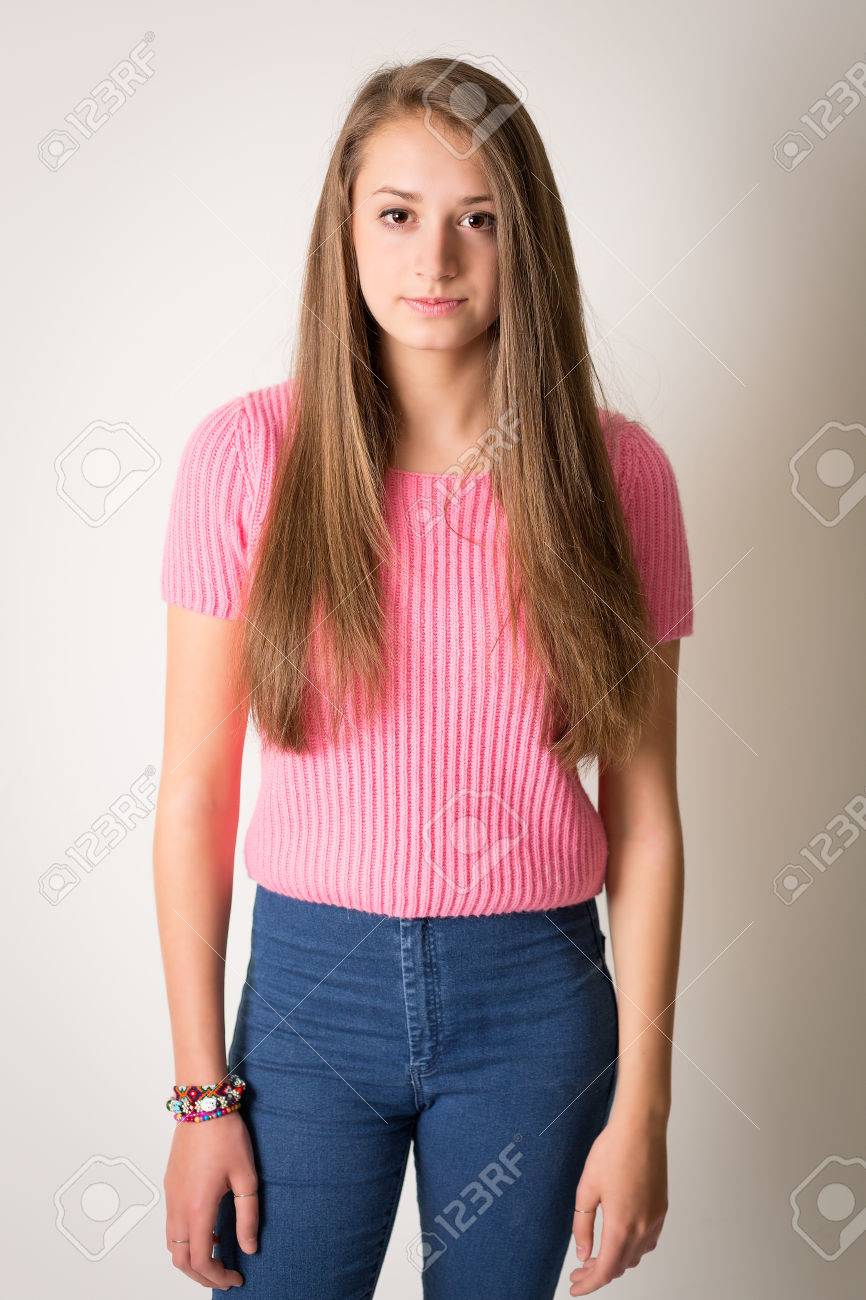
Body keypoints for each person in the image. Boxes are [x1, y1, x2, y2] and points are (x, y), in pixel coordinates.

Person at [153, 56, 695, 1300]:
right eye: (396, 214)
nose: (432, 260)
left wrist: (645, 1109)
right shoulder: (245, 459)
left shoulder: (619, 480)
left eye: (477, 220)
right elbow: (192, 795)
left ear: (526, 239)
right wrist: (198, 1095)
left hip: (535, 1007)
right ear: (343, 229)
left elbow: (646, 812)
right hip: (306, 1000)